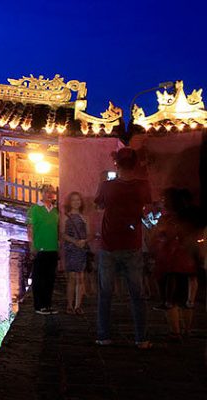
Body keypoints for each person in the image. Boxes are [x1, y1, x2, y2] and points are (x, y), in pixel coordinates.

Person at [94, 147, 152, 349]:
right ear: (135, 164)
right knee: (137, 295)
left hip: (109, 245)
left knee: (105, 294)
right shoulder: (143, 186)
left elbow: (99, 206)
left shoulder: (106, 186)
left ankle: (103, 336)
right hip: (133, 245)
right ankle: (141, 338)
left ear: (116, 164)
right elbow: (148, 212)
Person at [150, 188, 202, 341]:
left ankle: (175, 332)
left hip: (170, 264)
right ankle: (187, 330)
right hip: (187, 264)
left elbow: (157, 237)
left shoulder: (167, 220)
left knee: (171, 300)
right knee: (186, 300)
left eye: (163, 199)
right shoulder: (191, 218)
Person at [28, 184, 59, 315]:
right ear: (41, 193)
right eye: (47, 192)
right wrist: (32, 246)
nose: (50, 194)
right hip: (40, 248)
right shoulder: (34, 209)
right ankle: (38, 306)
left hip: (53, 248)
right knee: (39, 278)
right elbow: (30, 229)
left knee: (50, 279)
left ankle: (47, 305)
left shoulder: (55, 211)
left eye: (52, 192)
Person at [62, 191, 89, 315]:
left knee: (80, 278)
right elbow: (62, 233)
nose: (76, 202)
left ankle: (78, 305)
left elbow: (89, 233)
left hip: (81, 249)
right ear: (70, 202)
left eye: (78, 200)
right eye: (73, 200)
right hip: (70, 249)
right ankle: (69, 305)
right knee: (71, 277)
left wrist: (84, 241)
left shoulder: (84, 217)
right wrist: (74, 241)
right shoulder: (65, 217)